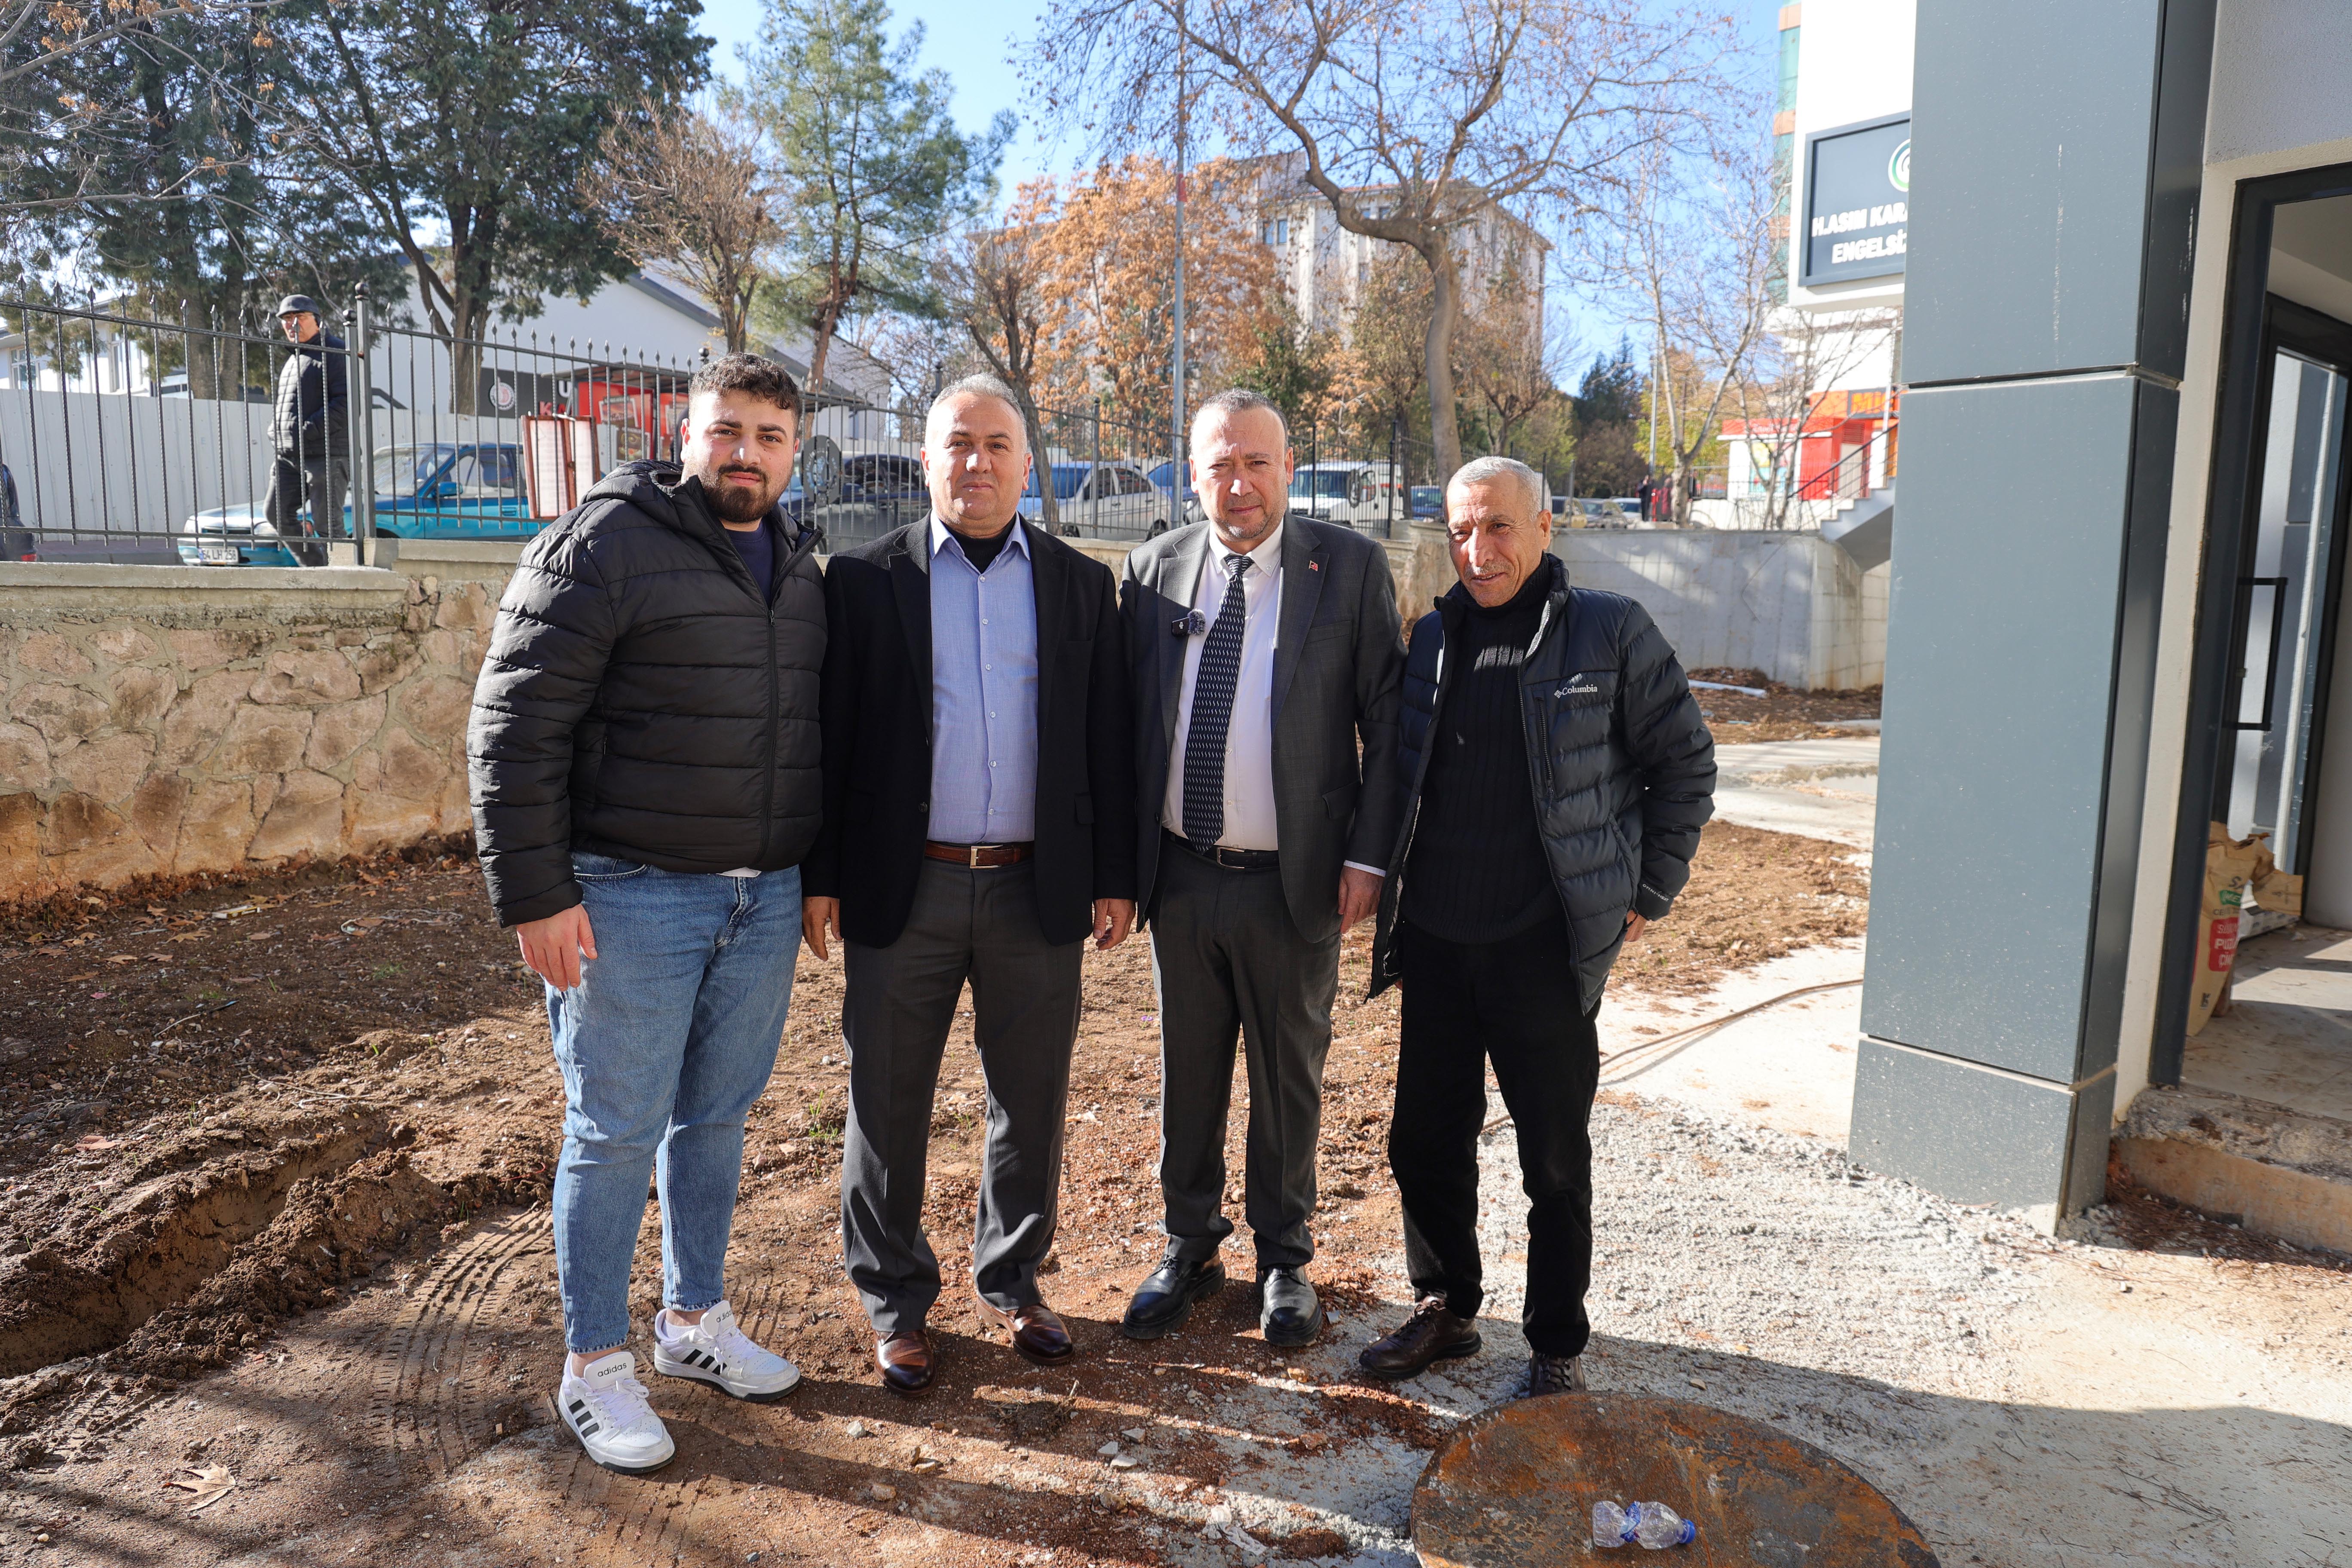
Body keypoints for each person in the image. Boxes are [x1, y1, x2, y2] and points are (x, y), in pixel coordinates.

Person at [467, 353, 824, 1474]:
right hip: (630, 896)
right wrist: (538, 894)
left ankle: (693, 1321)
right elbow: (513, 725)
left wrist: (810, 874)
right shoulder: (602, 543)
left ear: (795, 452)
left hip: (760, 897)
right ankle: (593, 1364)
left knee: (715, 1116)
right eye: (727, 430)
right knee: (615, 1129)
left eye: (769, 436)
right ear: (686, 435)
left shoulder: (801, 562)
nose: (746, 453)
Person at [803, 375, 1136, 1395]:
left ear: (1027, 465)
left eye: (997, 445)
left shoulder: (1081, 586)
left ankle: (1015, 1281)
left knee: (1029, 1100)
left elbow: (1108, 737)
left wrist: (1115, 875)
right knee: (885, 1100)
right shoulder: (864, 581)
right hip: (905, 887)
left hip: (1038, 888)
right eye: (957, 444)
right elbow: (831, 740)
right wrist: (823, 876)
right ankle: (894, 1302)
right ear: (926, 460)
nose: (977, 462)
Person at [1357, 456, 1714, 1396]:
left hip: (1542, 949)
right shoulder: (1434, 637)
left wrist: (1651, 887)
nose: (1477, 550)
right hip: (1438, 941)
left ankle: (1555, 1344)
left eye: (1498, 527)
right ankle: (1446, 1306)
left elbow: (1685, 762)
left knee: (1552, 1158)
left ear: (1545, 528)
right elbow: (1403, 774)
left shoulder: (1608, 630)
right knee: (1424, 1141)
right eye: (1460, 531)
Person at [1116, 388, 1403, 1348]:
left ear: (1286, 468)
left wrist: (1369, 856)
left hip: (1297, 881)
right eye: (1219, 465)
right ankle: (1189, 1244)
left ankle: (1284, 1258)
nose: (1238, 483)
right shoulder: (1154, 569)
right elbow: (1126, 724)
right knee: (1187, 1072)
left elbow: (1389, 725)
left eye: (1256, 463)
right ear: (1192, 475)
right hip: (1182, 874)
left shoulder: (1348, 568)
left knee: (1288, 1077)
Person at [262, 295, 350, 567]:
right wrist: (276, 431)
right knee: (276, 513)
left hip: (326, 455)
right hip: (290, 455)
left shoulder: (336, 351)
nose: (292, 324)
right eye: (287, 319)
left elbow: (345, 404)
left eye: (300, 317)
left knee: (328, 525)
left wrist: (304, 430)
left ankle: (348, 576)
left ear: (317, 320)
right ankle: (317, 568)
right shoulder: (294, 359)